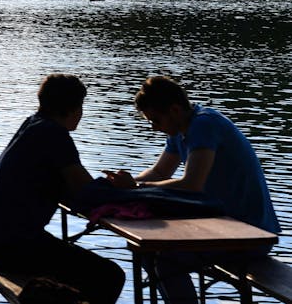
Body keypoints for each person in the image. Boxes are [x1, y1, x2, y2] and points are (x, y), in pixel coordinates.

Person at [104, 76, 279, 304]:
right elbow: (159, 173)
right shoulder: (181, 130)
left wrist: (135, 187)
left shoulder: (205, 124)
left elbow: (191, 184)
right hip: (222, 227)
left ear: (175, 110)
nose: (154, 128)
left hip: (250, 235)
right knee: (146, 252)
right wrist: (118, 185)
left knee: (167, 260)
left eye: (156, 120)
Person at [0, 74, 124, 304]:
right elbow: (87, 191)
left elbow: (68, 187)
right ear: (72, 107)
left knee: (81, 273)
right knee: (110, 276)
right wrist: (121, 187)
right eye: (81, 106)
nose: (82, 113)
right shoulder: (54, 134)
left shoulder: (33, 124)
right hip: (15, 249)